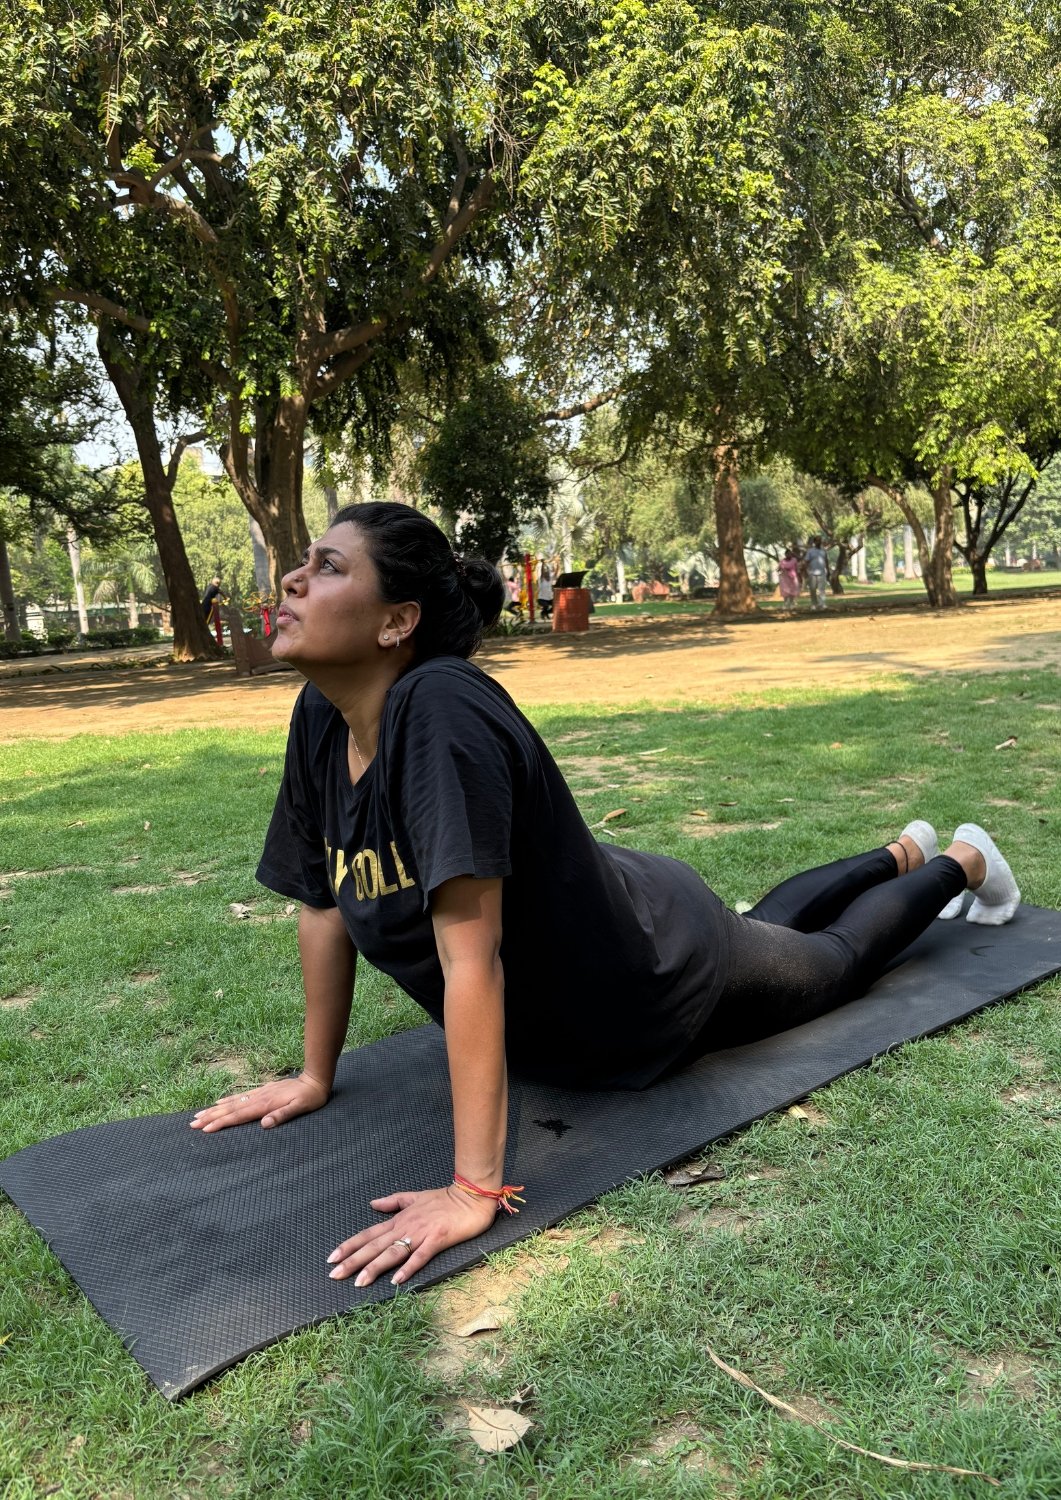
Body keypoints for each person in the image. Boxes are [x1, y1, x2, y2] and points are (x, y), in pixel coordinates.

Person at [190, 502, 1020, 1291]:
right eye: (304, 564)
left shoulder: (439, 706)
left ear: (396, 622)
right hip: (623, 904)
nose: (293, 579)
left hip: (656, 977)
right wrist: (315, 1076)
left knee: (830, 963)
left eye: (328, 567)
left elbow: (469, 955)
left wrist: (473, 1190)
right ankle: (899, 850)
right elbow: (323, 904)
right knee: (765, 929)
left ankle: (960, 859)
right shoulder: (322, 716)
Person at [804, 536, 829, 612]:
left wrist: (828, 570)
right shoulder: (810, 551)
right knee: (813, 589)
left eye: (820, 540)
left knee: (822, 589)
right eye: (817, 541)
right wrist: (806, 571)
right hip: (812, 573)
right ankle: (814, 604)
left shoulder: (823, 551)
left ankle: (822, 604)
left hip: (822, 573)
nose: (819, 542)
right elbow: (806, 561)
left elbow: (826, 561)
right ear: (814, 542)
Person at [778, 548, 801, 614]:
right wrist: (781, 569)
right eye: (788, 554)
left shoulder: (794, 560)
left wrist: (799, 576)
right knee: (785, 591)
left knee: (793, 591)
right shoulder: (782, 561)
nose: (789, 555)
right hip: (785, 578)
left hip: (793, 577)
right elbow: (779, 569)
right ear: (785, 554)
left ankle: (792, 604)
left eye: (790, 554)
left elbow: (797, 568)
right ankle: (785, 604)